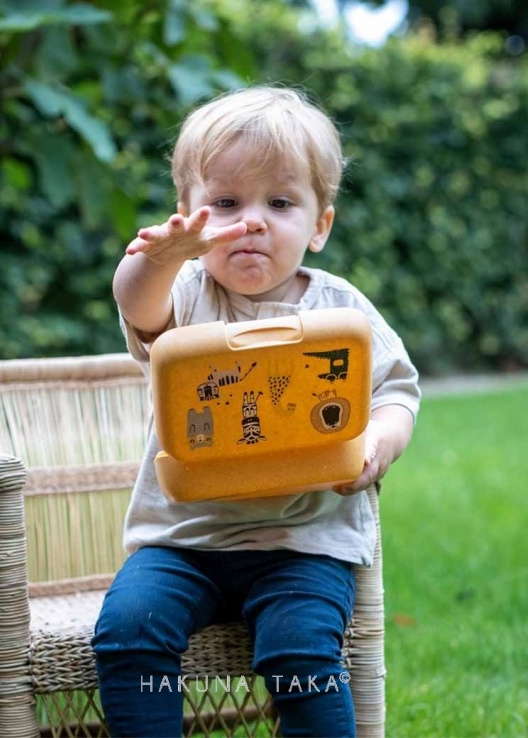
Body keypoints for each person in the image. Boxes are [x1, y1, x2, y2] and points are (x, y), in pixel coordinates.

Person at [92, 85, 420, 737]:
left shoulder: (342, 312)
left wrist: (378, 442)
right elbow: (138, 307)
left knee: (299, 654)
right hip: (183, 541)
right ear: (189, 214)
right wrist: (155, 259)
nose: (251, 221)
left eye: (279, 202)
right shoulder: (184, 293)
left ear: (319, 225)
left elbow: (396, 391)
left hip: (302, 542)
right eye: (225, 202)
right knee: (129, 633)